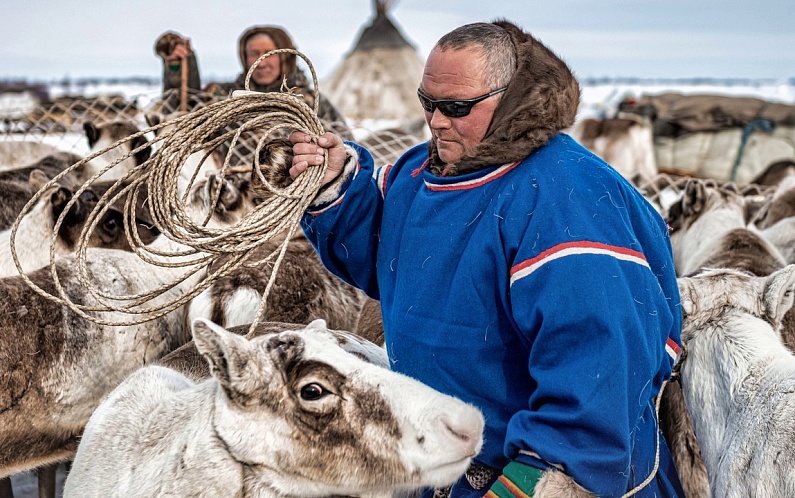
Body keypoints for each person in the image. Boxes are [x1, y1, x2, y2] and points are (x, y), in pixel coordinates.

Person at [285, 20, 685, 498]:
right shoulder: (424, 172)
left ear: (511, 97)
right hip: (450, 464)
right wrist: (338, 190)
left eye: (455, 107)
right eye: (427, 103)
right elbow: (395, 260)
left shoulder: (565, 205)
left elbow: (600, 380)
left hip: (539, 476)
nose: (435, 121)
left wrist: (531, 480)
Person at [154, 26, 351, 137]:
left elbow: (346, 146)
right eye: (253, 54)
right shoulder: (223, 96)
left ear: (285, 56)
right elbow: (179, 112)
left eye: (268, 53)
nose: (261, 61)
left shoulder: (311, 102)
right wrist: (178, 66)